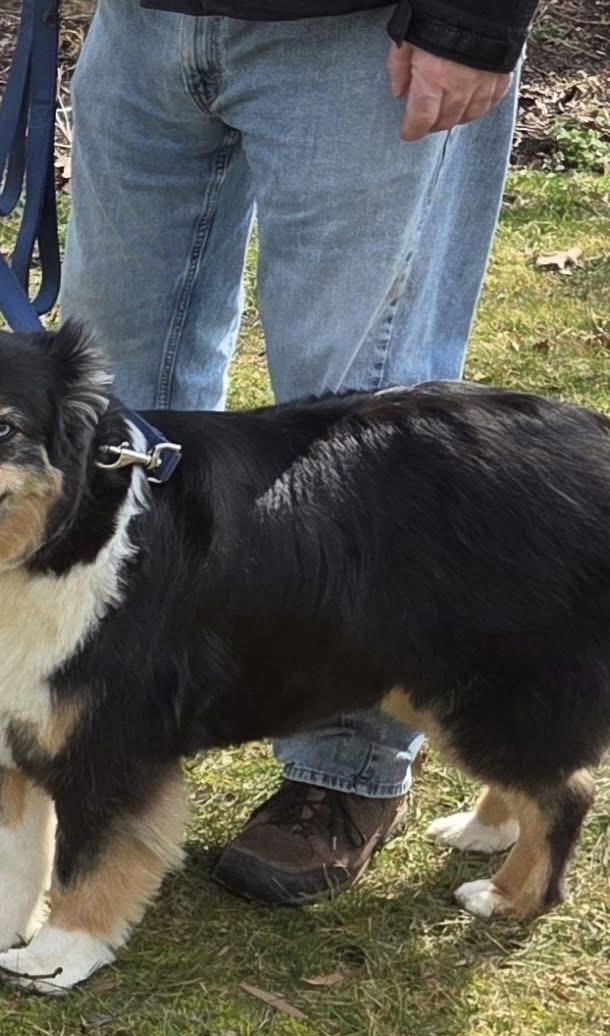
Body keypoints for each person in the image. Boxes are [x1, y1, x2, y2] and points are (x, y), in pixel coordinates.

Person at [58, 0, 535, 906]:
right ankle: (102, 686)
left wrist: (474, 21)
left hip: (371, 36)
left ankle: (344, 770)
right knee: (114, 399)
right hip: (145, 24)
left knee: (362, 431)